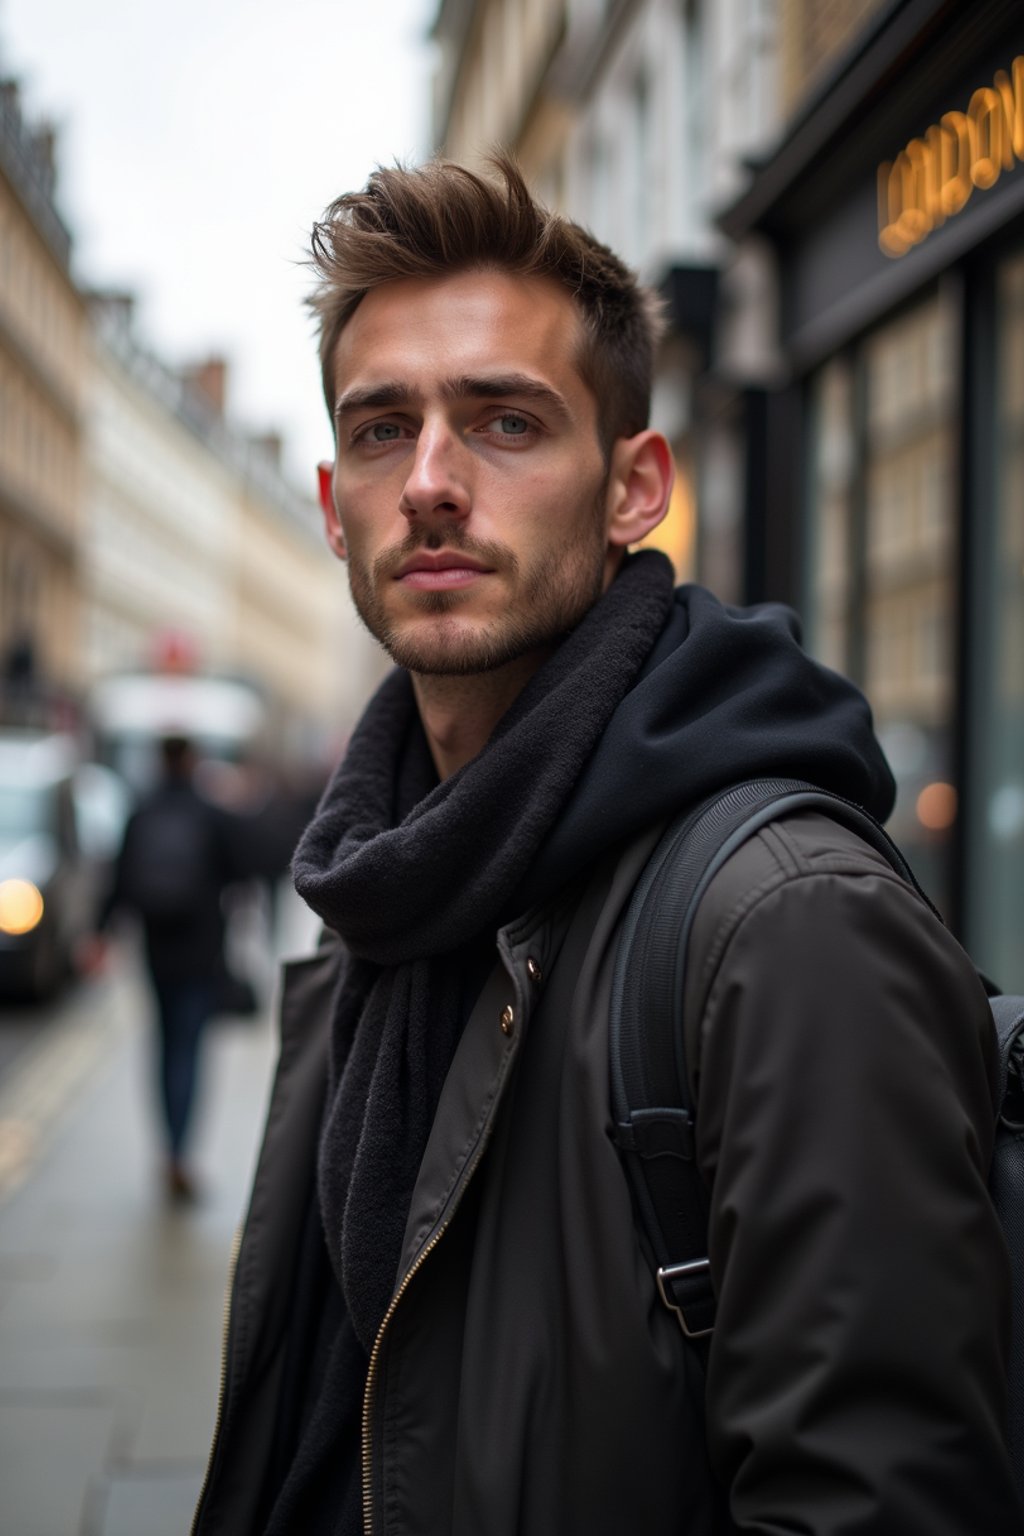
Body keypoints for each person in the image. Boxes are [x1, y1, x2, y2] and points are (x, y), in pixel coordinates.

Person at [192, 158, 1021, 1534]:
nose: (435, 484)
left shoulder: (786, 924)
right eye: (386, 430)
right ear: (336, 504)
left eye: (505, 422)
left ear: (636, 488)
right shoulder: (376, 892)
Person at [99, 734, 241, 1200]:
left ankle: (166, 1149)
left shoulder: (142, 809)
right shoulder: (208, 811)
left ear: (159, 760)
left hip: (156, 950)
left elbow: (118, 876)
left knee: (163, 1047)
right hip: (201, 950)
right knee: (191, 1050)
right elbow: (245, 864)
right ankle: (182, 1152)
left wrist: (100, 933)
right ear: (193, 761)